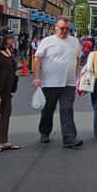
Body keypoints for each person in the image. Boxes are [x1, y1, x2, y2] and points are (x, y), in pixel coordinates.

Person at [33, 17, 83, 148]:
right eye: (62, 28)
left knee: (67, 109)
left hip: (69, 83)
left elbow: (78, 58)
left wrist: (76, 74)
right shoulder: (47, 41)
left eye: (67, 28)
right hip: (50, 83)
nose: (65, 31)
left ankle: (69, 138)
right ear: (56, 27)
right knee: (48, 110)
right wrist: (37, 77)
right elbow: (37, 59)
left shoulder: (74, 41)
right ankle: (44, 132)